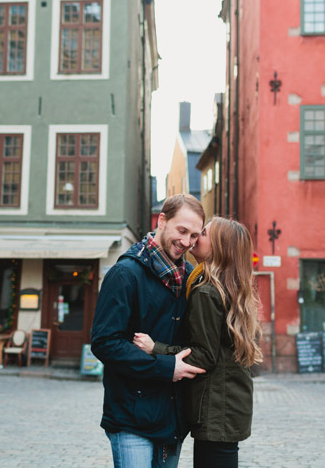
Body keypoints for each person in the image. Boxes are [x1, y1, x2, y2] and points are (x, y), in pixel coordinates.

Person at [134, 216, 263, 468]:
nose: (194, 238)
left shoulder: (207, 291)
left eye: (202, 233)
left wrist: (155, 348)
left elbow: (203, 355)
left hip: (216, 410)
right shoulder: (230, 288)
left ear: (218, 246)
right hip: (228, 406)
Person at [91, 194, 208, 468]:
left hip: (172, 419)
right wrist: (165, 367)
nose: (187, 242)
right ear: (162, 220)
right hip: (131, 416)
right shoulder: (125, 274)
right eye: (182, 231)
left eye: (194, 235)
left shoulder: (190, 276)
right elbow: (105, 343)